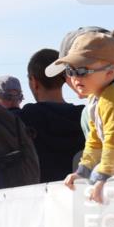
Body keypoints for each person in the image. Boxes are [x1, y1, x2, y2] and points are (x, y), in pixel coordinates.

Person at [47, 32, 114, 204]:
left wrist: (103, 179)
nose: (75, 78)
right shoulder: (95, 100)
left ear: (110, 72)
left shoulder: (112, 100)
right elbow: (95, 141)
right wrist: (83, 170)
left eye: (83, 71)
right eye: (71, 71)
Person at [20, 48, 86, 183]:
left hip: (42, 197)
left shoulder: (23, 118)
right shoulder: (86, 116)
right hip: (84, 194)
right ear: (65, 78)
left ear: (34, 81)